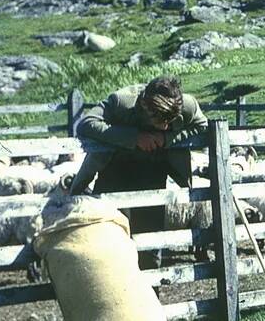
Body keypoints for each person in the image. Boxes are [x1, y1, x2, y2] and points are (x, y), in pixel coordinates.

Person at [69, 76, 209, 267]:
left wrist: (167, 138)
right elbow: (87, 124)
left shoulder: (187, 105)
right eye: (160, 119)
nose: (166, 125)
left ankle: (151, 293)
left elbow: (202, 126)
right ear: (145, 105)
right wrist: (134, 138)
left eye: (170, 120)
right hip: (115, 171)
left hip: (154, 172)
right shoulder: (121, 101)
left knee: (150, 244)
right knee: (113, 237)